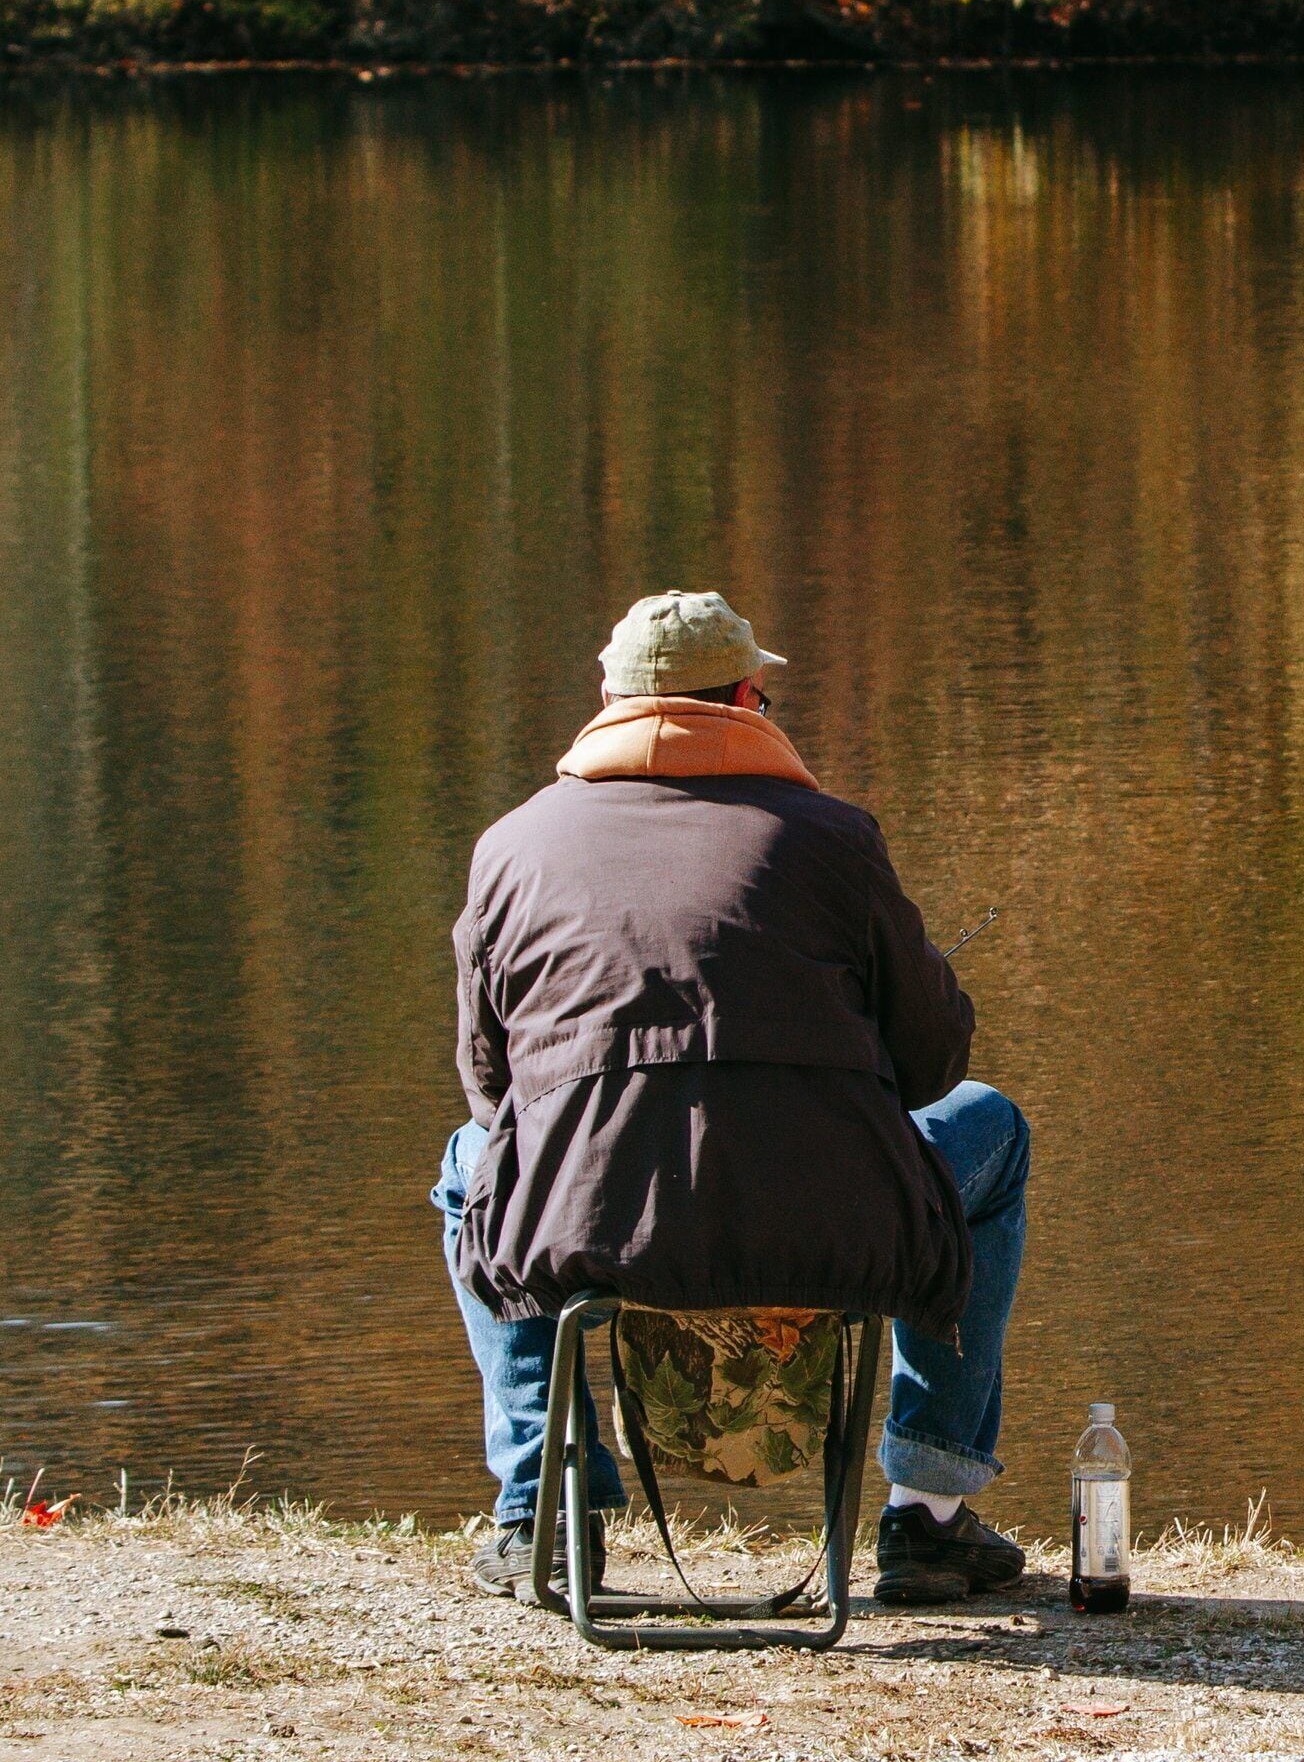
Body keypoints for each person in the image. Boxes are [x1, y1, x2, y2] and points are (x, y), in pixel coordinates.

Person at [430, 589, 1030, 1605]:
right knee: (993, 1130)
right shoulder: (837, 840)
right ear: (750, 697)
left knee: (470, 1170)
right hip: (835, 1230)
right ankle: (928, 1515)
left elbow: (492, 1092)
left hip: (590, 1231)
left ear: (608, 699)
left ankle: (544, 1510)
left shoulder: (511, 848)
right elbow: (930, 1069)